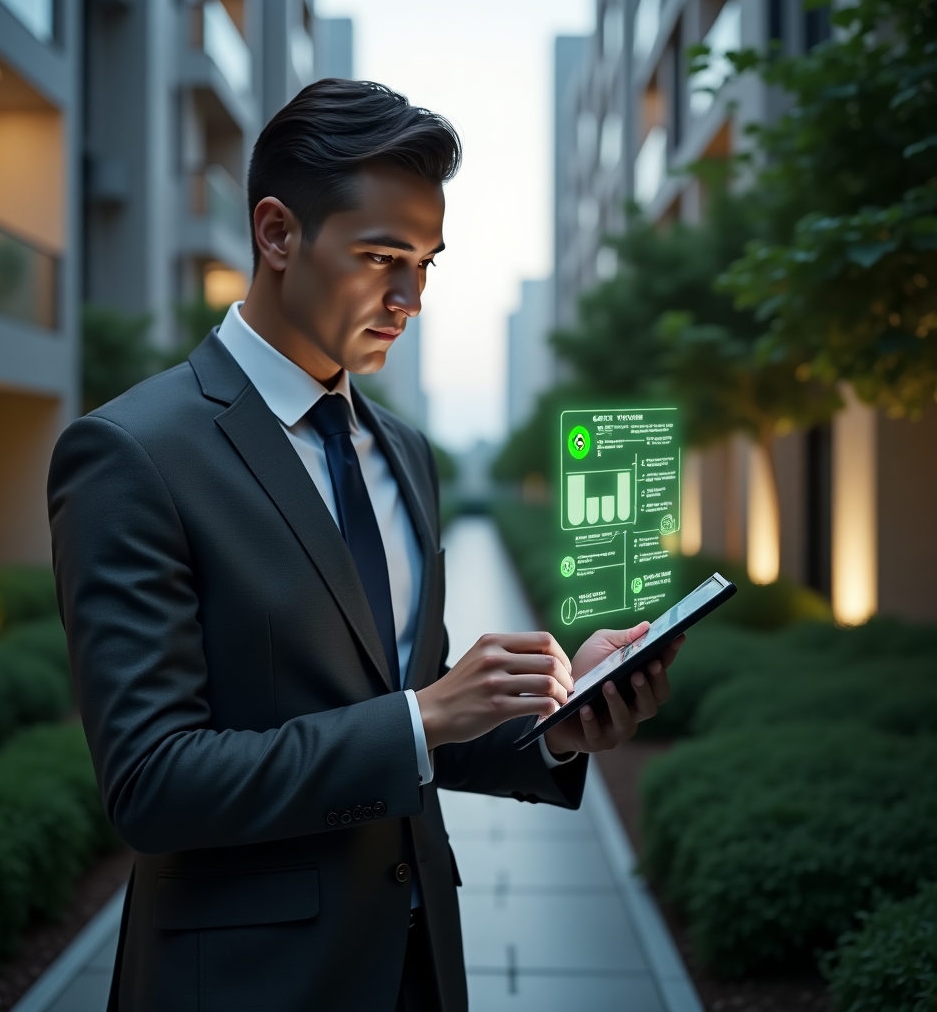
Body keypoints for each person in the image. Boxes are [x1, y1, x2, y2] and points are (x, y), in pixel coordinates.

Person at [48, 79, 682, 1012]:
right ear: (275, 234)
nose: (410, 296)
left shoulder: (404, 454)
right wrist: (424, 717)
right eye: (383, 256)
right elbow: (153, 783)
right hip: (241, 985)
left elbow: (402, 713)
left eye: (426, 262)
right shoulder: (133, 452)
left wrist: (555, 724)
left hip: (420, 967)